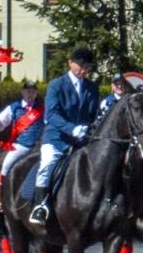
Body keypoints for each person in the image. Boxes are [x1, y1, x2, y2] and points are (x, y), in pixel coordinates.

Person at [29, 47, 99, 226]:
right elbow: (51, 114)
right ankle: (40, 205)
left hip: (81, 141)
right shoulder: (57, 85)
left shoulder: (92, 88)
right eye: (81, 66)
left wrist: (90, 127)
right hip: (57, 139)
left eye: (87, 67)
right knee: (47, 165)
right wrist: (72, 128)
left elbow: (94, 115)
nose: (84, 70)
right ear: (70, 63)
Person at [0, 80, 44, 191]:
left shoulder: (42, 108)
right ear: (22, 92)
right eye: (27, 91)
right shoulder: (14, 107)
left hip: (39, 146)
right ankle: (0, 191)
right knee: (6, 166)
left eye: (33, 91)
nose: (30, 94)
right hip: (21, 145)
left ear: (36, 93)